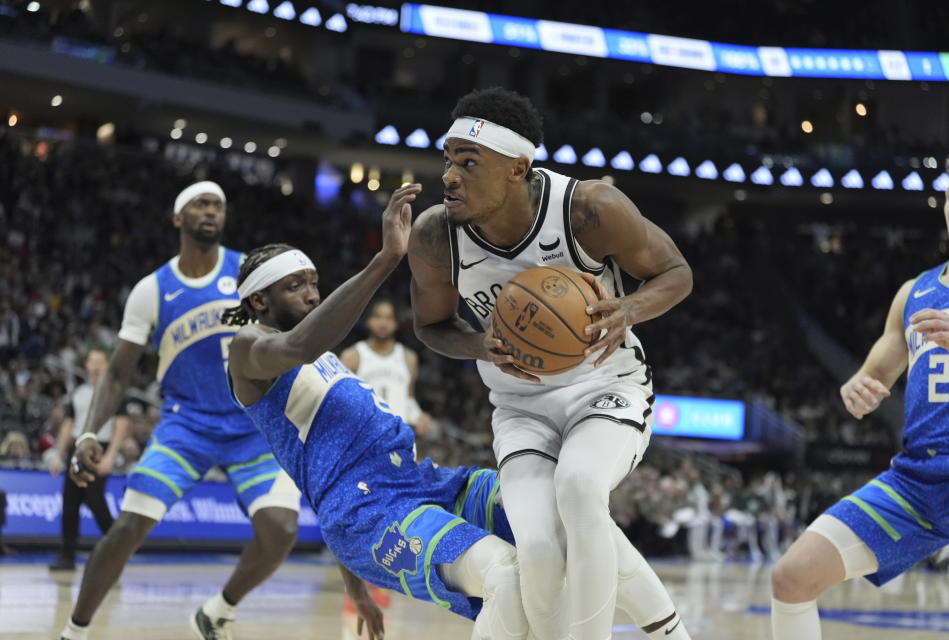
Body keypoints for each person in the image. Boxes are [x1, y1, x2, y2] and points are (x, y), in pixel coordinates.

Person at [408, 87, 694, 640]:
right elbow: (430, 326)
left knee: (581, 487)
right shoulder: (434, 235)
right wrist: (476, 344)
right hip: (519, 405)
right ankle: (670, 632)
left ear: (518, 167)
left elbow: (676, 271)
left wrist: (628, 308)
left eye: (469, 163)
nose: (449, 176)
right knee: (537, 547)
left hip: (605, 384)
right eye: (448, 160)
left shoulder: (589, 210)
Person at [223, 184, 527, 640]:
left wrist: (357, 590)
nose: (311, 295)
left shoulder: (323, 361)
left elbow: (324, 479)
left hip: (419, 483)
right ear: (260, 301)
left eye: (312, 283)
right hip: (372, 510)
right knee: (504, 575)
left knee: (543, 514)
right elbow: (341, 496)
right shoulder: (249, 349)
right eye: (294, 286)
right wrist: (386, 259)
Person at [63, 181, 301, 640]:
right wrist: (89, 433)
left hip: (251, 424)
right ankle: (75, 631)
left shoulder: (248, 274)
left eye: (218, 205)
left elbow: (291, 339)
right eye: (200, 204)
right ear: (178, 218)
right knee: (129, 526)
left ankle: (217, 610)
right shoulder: (152, 290)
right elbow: (117, 373)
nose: (211, 211)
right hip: (186, 424)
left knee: (281, 528)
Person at [771, 150, 949, 640]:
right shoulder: (914, 293)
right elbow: (876, 371)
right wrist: (859, 387)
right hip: (920, 478)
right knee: (791, 577)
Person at [48, 347, 129, 571]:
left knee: (95, 501)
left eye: (99, 362)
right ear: (86, 365)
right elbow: (68, 425)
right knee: (70, 503)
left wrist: (111, 455)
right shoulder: (78, 393)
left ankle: (116, 551)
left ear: (106, 365)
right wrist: (58, 455)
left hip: (99, 448)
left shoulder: (114, 392)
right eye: (91, 362)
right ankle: (67, 556)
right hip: (77, 446)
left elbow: (121, 426)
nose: (94, 366)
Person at [340, 300, 432, 435]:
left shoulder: (409, 358)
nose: (383, 323)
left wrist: (419, 416)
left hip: (398, 438)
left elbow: (409, 398)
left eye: (388, 318)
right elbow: (343, 401)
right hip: (364, 437)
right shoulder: (352, 356)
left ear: (396, 323)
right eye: (378, 317)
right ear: (369, 321)